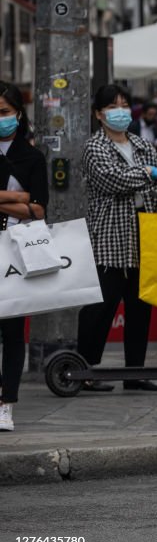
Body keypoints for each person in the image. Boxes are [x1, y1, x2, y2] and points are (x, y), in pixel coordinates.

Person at [76, 85, 157, 392]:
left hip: (146, 234)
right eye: (113, 106)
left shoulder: (143, 145)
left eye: (125, 105)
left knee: (140, 305)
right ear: (99, 115)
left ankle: (135, 372)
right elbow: (112, 179)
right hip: (110, 237)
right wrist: (151, 173)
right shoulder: (95, 147)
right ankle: (84, 370)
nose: (121, 111)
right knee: (100, 306)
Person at [0, 82, 47, 431]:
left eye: (3, 112)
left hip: (17, 247)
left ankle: (8, 402)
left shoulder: (32, 157)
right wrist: (18, 200)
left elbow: (40, 208)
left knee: (14, 329)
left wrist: (24, 204)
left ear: (18, 113)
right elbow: (27, 202)